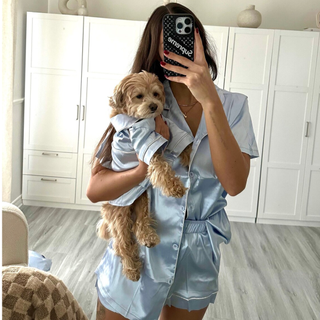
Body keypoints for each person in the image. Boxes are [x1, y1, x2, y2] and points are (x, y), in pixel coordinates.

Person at [87, 3, 259, 320]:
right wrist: (142, 169)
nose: (180, 49)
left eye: (188, 39)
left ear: (202, 44)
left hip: (197, 255)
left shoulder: (233, 106)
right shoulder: (141, 102)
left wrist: (210, 101)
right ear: (156, 50)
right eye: (169, 42)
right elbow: (96, 189)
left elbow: (234, 184)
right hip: (139, 247)